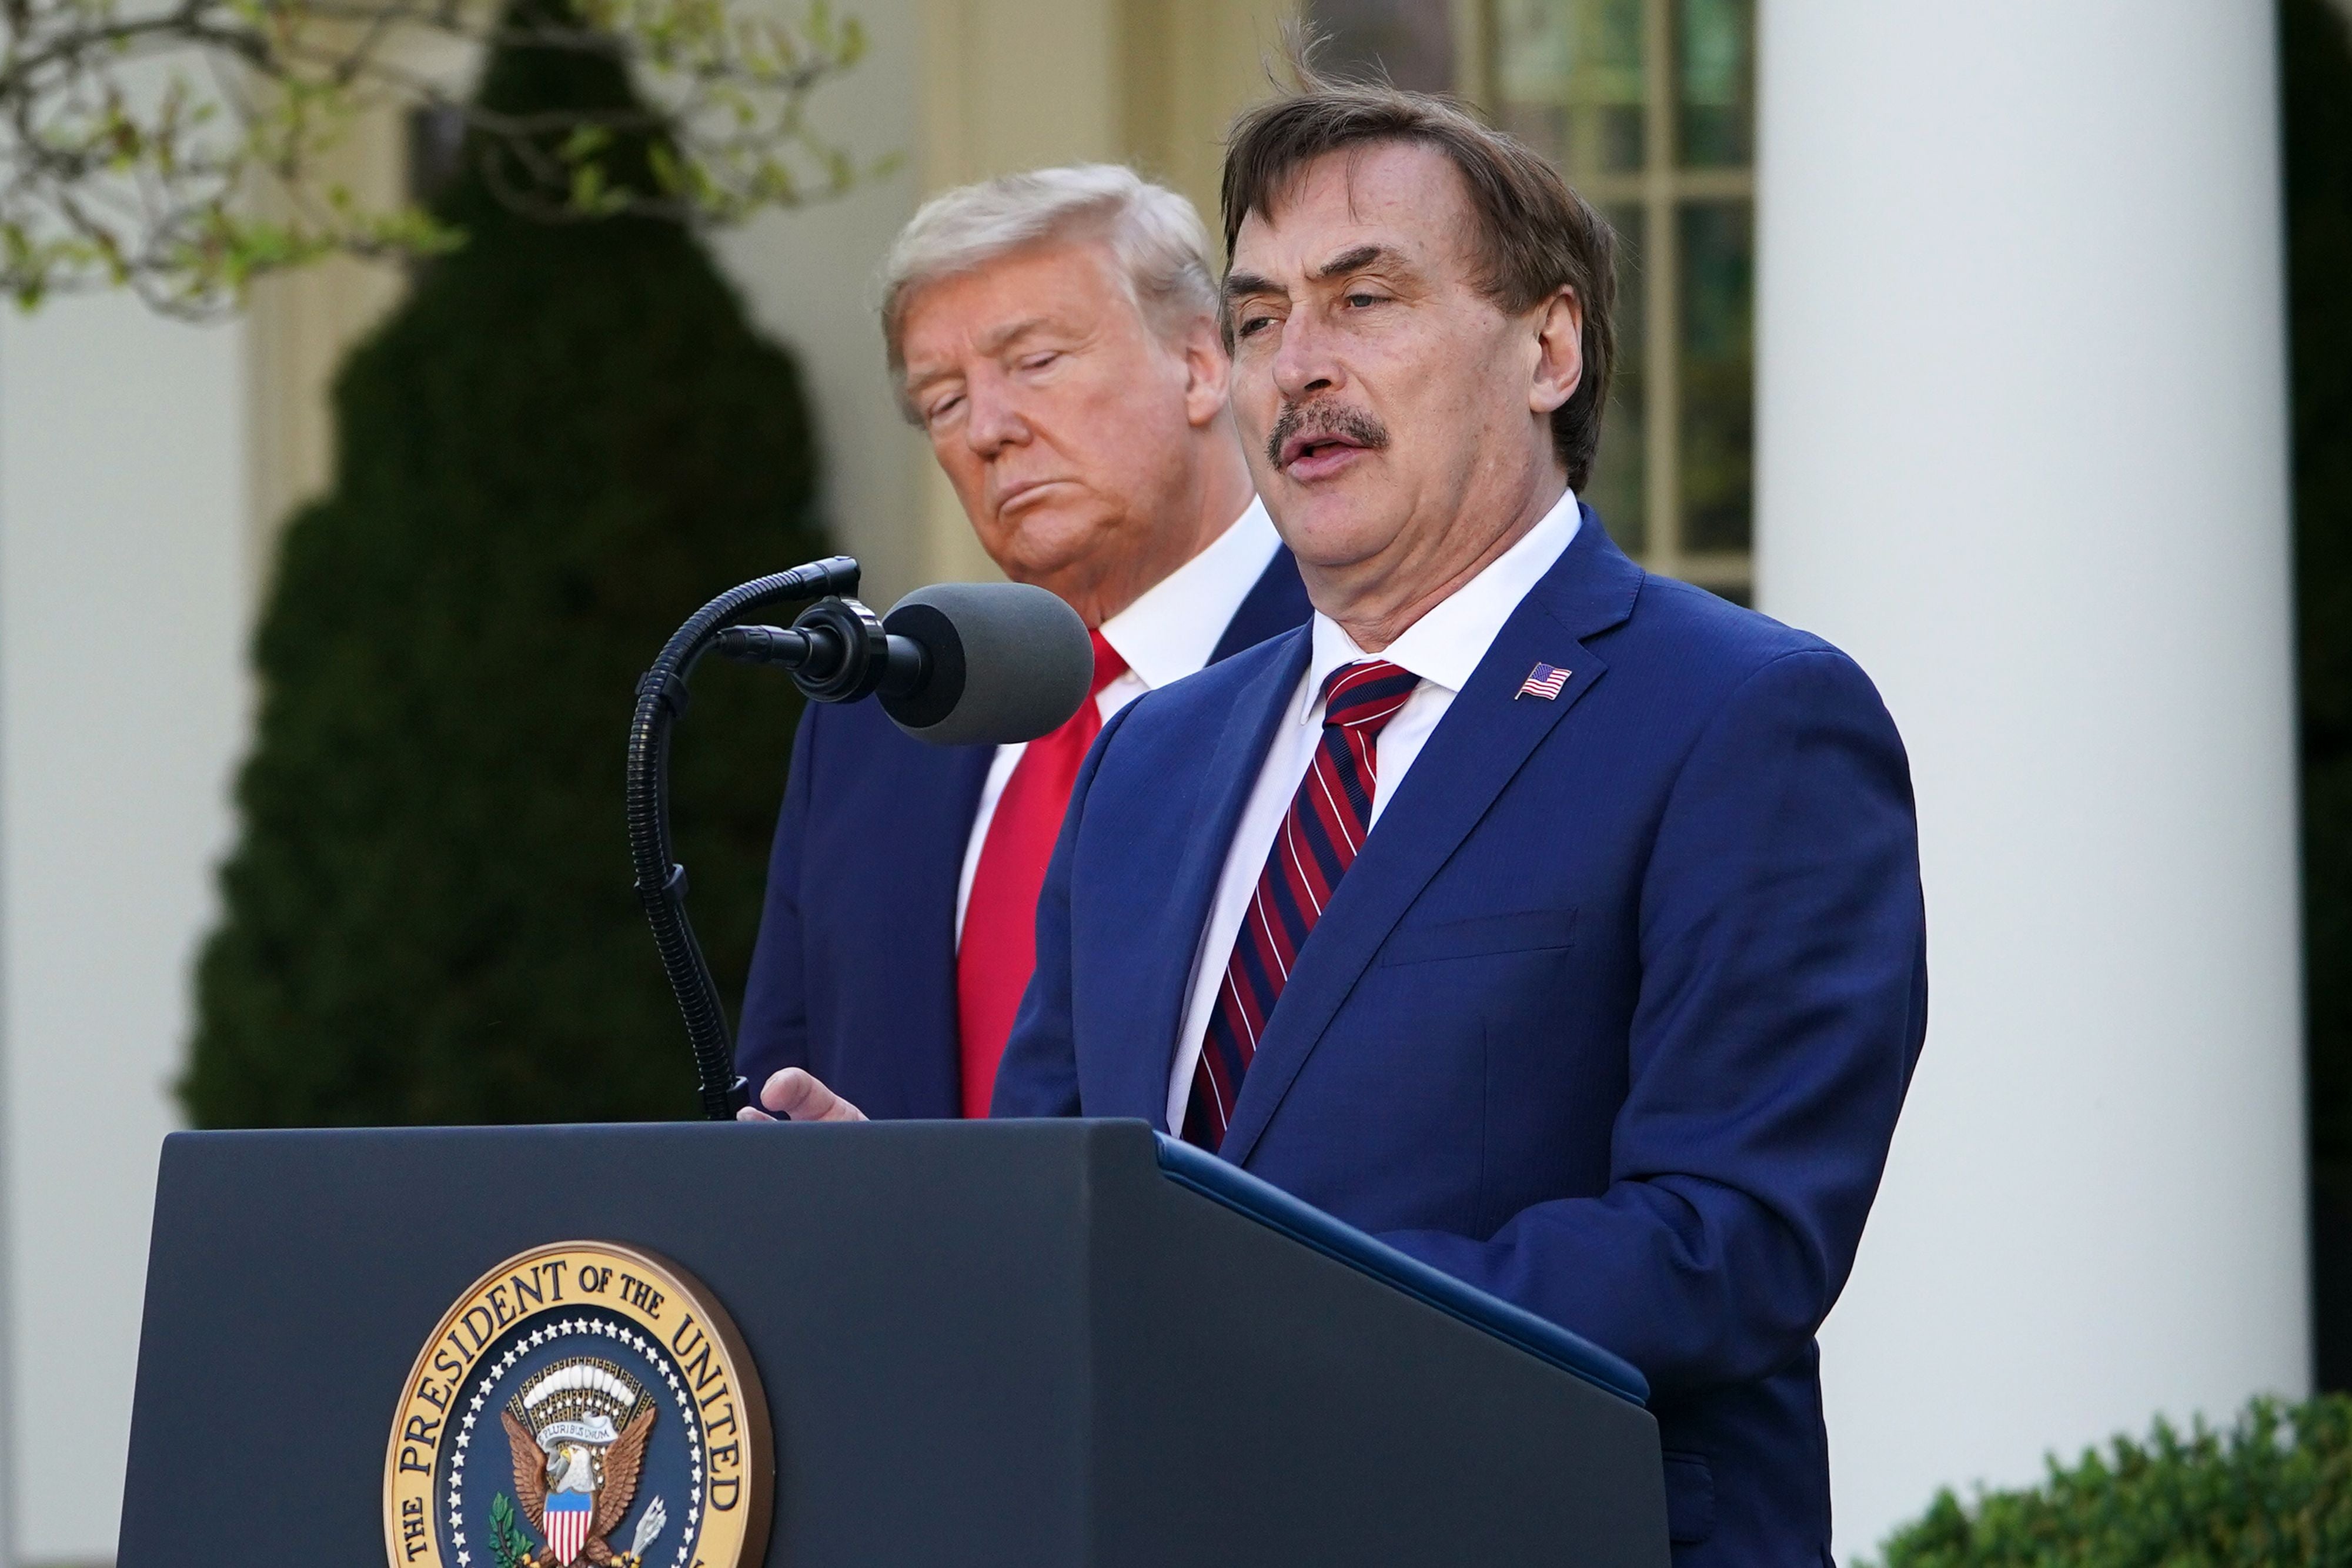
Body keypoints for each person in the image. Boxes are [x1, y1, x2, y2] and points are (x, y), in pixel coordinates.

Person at [751, 81, 1925, 1567]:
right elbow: (1075, 1195)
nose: (1296, 365)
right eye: (1255, 319)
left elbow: (1727, 1243)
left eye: (1362, 298)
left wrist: (1235, 1299)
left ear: (1546, 346)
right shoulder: (1151, 757)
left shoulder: (1743, 718)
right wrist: (925, 1207)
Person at [734, 165, 1310, 1121]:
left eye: (1036, 361)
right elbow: (778, 1090)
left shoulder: (1360, 669)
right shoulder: (873, 726)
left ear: (1203, 363)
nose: (990, 430)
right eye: (945, 402)